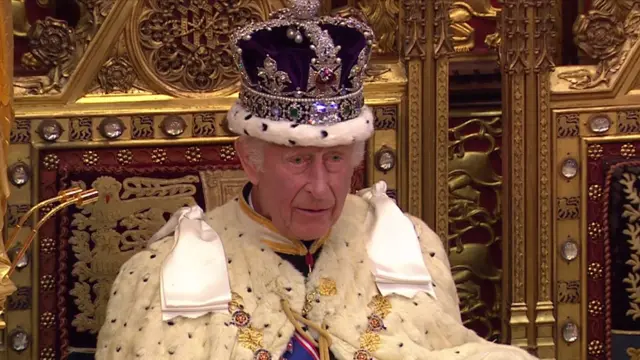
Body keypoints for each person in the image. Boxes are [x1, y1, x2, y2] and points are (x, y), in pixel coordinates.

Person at [95, 1, 538, 359]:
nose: (322, 188)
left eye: (336, 159)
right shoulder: (165, 272)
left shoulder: (407, 244)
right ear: (250, 161)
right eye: (299, 161)